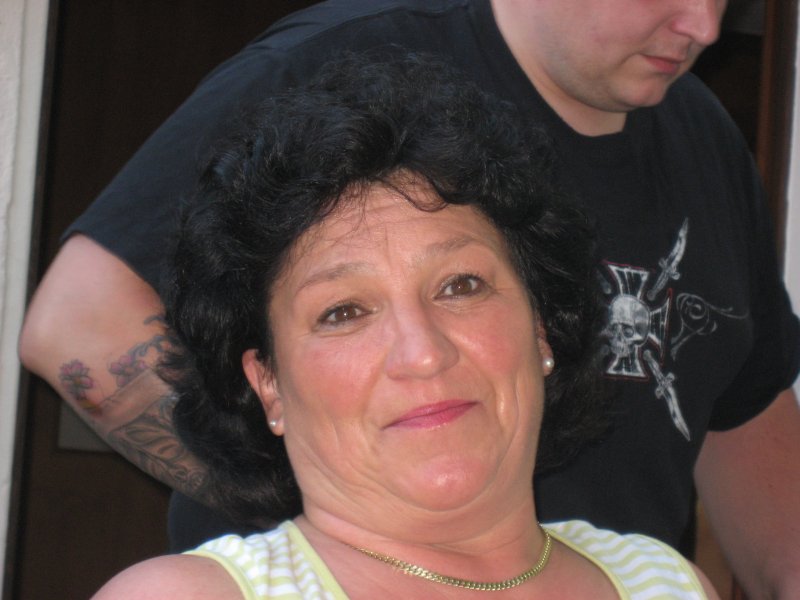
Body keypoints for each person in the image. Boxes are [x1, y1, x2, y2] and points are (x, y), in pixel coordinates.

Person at [18, 1, 800, 597]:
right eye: (344, 312)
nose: (704, 26)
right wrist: (355, 534)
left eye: (463, 287)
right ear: (267, 382)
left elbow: (747, 410)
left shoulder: (705, 142)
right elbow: (77, 326)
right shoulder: (335, 61)